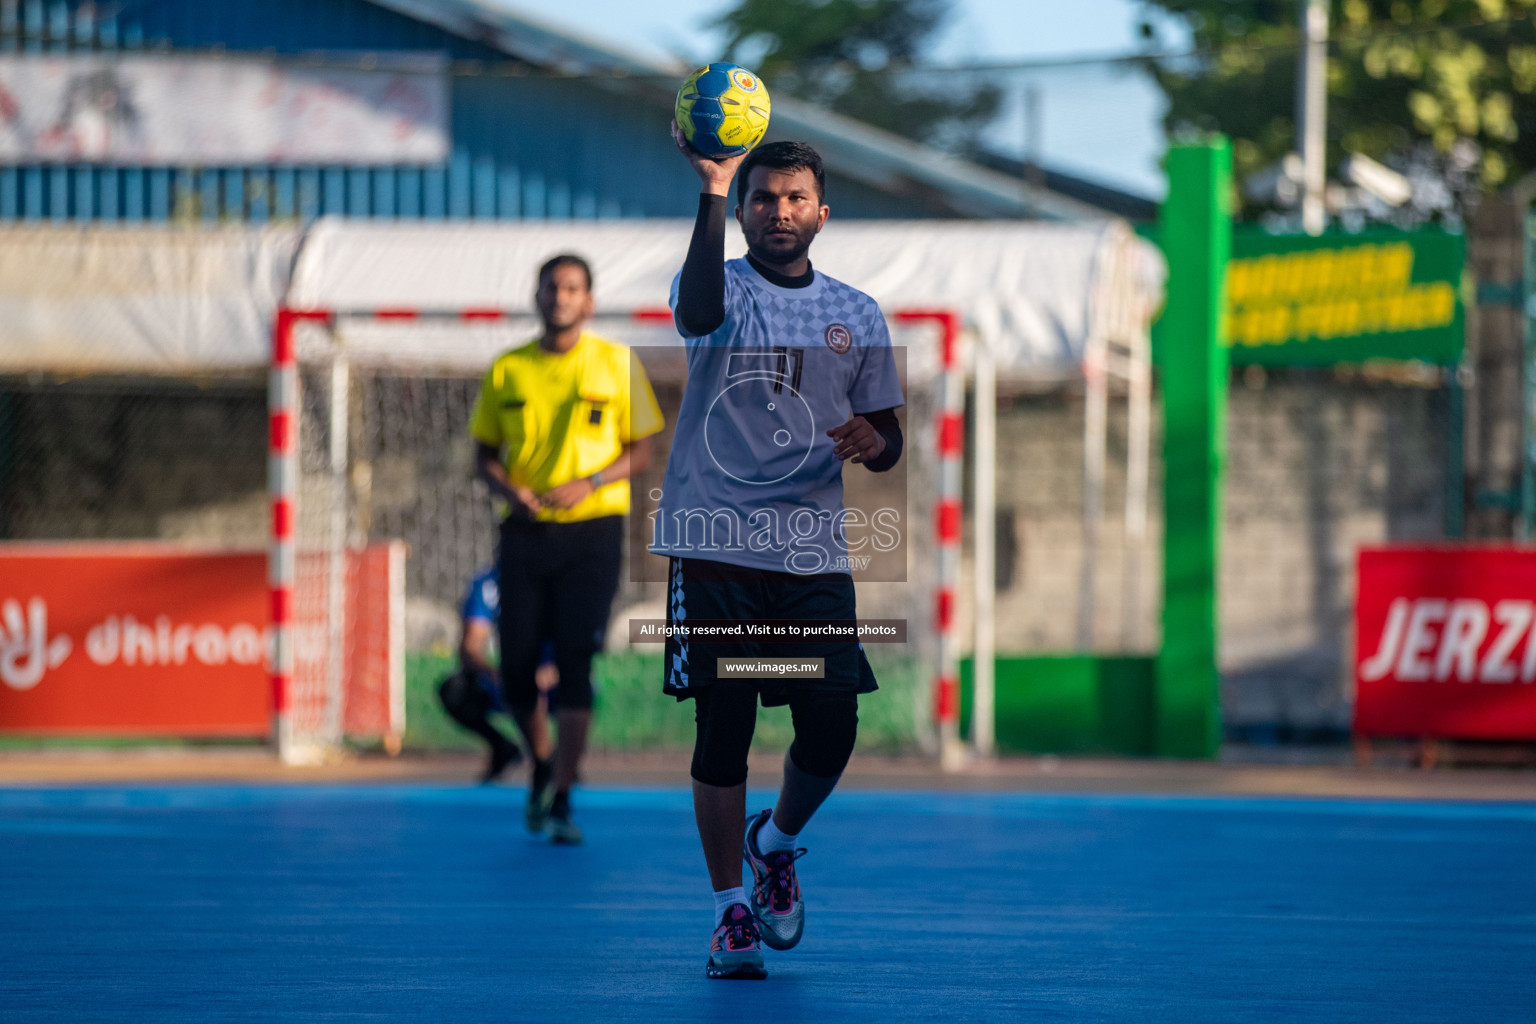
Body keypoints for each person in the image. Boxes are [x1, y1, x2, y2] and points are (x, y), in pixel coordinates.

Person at [656, 132, 905, 979]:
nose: (779, 211)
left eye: (795, 198)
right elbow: (691, 317)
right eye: (762, 198)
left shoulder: (858, 312)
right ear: (744, 212)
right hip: (716, 545)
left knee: (832, 721)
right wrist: (710, 189)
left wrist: (876, 439)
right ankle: (728, 912)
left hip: (808, 553)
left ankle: (777, 842)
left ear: (821, 214)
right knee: (725, 725)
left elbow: (889, 437)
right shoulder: (716, 289)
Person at [469, 254, 664, 845]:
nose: (560, 296)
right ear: (537, 295)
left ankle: (562, 794)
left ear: (589, 301)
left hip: (593, 533)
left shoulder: (616, 363)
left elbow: (643, 450)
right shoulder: (508, 369)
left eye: (572, 288)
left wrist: (592, 481)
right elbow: (483, 456)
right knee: (519, 666)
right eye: (552, 286)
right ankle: (543, 760)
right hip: (525, 534)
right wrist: (511, 488)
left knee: (576, 660)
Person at [435, 564, 558, 784]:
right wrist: (503, 674)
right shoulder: (490, 584)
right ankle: (506, 749)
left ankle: (559, 760)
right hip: (511, 679)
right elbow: (470, 647)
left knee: (580, 685)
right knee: (456, 690)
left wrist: (552, 672)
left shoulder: (566, 578)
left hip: (556, 681)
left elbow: (580, 646)